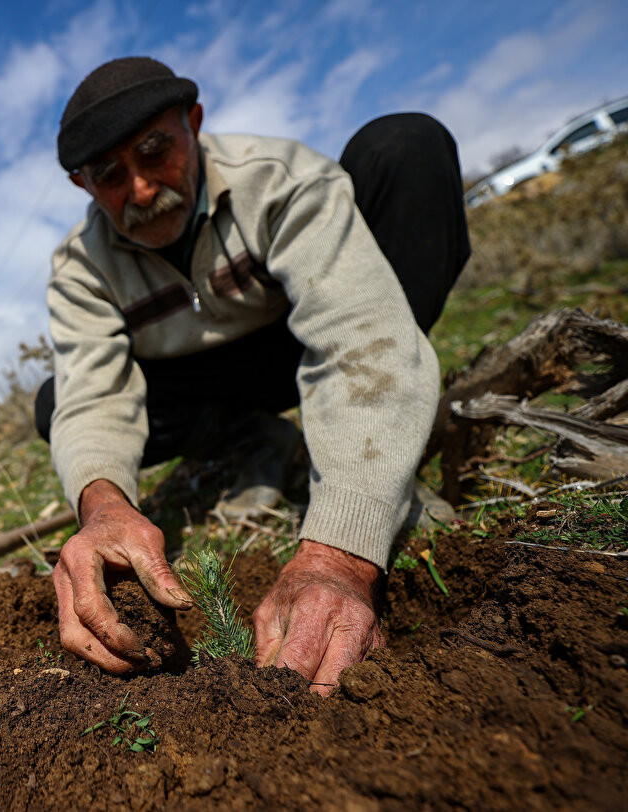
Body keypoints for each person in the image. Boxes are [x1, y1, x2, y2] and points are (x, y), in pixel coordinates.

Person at [36, 56, 469, 693]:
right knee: (55, 402)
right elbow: (92, 393)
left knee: (405, 146)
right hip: (199, 384)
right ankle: (250, 440)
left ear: (195, 123)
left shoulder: (278, 179)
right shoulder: (81, 268)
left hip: (301, 342)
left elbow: (354, 329)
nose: (142, 190)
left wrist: (340, 554)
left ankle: (380, 443)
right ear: (83, 186)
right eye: (109, 175)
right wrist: (102, 507)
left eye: (156, 151)